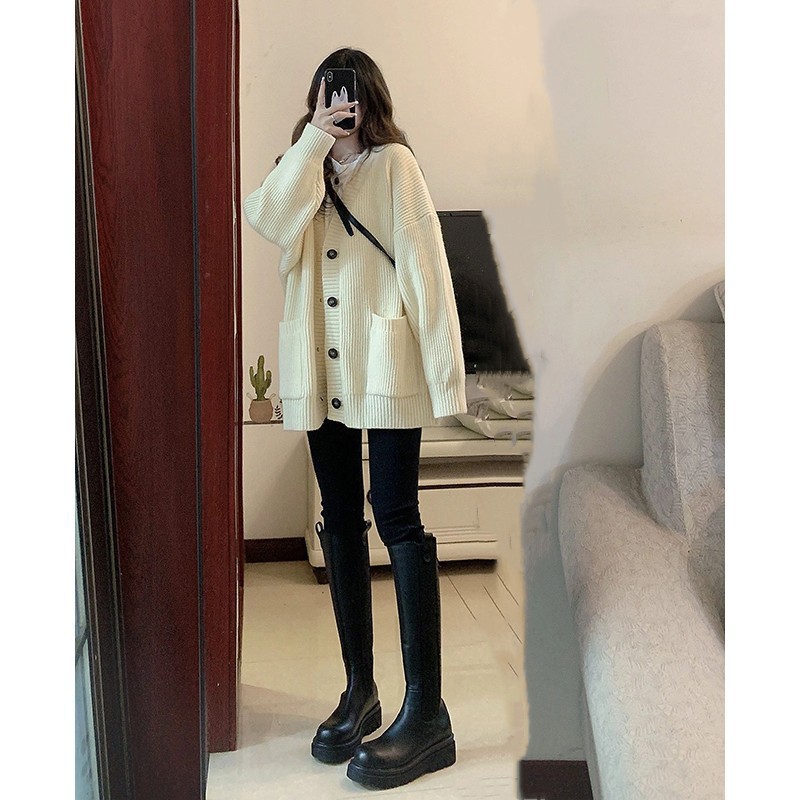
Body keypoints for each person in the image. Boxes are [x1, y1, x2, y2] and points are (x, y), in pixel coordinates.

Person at [243, 47, 467, 790]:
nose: (341, 107)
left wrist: (446, 380)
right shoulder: (299, 169)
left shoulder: (396, 166)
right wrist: (313, 141)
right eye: (327, 96)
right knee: (338, 517)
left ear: (371, 99)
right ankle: (360, 691)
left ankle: (427, 713)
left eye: (351, 95)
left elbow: (427, 268)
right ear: (315, 102)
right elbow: (267, 220)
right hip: (320, 367)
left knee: (396, 515)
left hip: (385, 365)